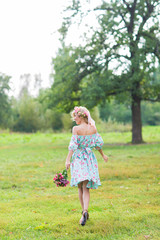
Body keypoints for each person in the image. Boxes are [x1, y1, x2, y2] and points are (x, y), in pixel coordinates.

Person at [65, 106, 108, 226]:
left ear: (81, 116)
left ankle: (83, 212)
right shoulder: (93, 128)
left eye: (75, 116)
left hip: (79, 158)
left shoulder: (76, 129)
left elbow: (73, 145)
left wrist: (67, 160)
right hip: (89, 158)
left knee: (80, 187)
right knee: (86, 187)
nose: (74, 119)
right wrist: (103, 155)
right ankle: (85, 211)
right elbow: (98, 144)